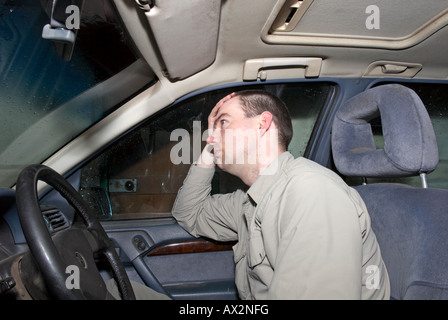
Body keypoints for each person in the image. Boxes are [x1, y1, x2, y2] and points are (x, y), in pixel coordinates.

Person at [172, 90, 390, 300]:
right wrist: (212, 146)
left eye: (224, 123)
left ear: (261, 124)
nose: (210, 137)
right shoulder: (249, 200)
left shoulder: (311, 192)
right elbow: (189, 212)